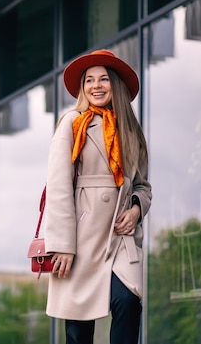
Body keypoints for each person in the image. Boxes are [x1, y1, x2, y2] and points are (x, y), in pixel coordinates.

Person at [43, 49, 152, 344]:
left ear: (115, 84)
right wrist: (62, 244)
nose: (96, 85)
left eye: (103, 79)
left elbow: (143, 186)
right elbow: (58, 186)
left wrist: (136, 210)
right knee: (79, 328)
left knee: (128, 303)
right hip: (80, 236)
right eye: (89, 80)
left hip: (120, 238)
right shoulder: (72, 123)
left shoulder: (131, 132)